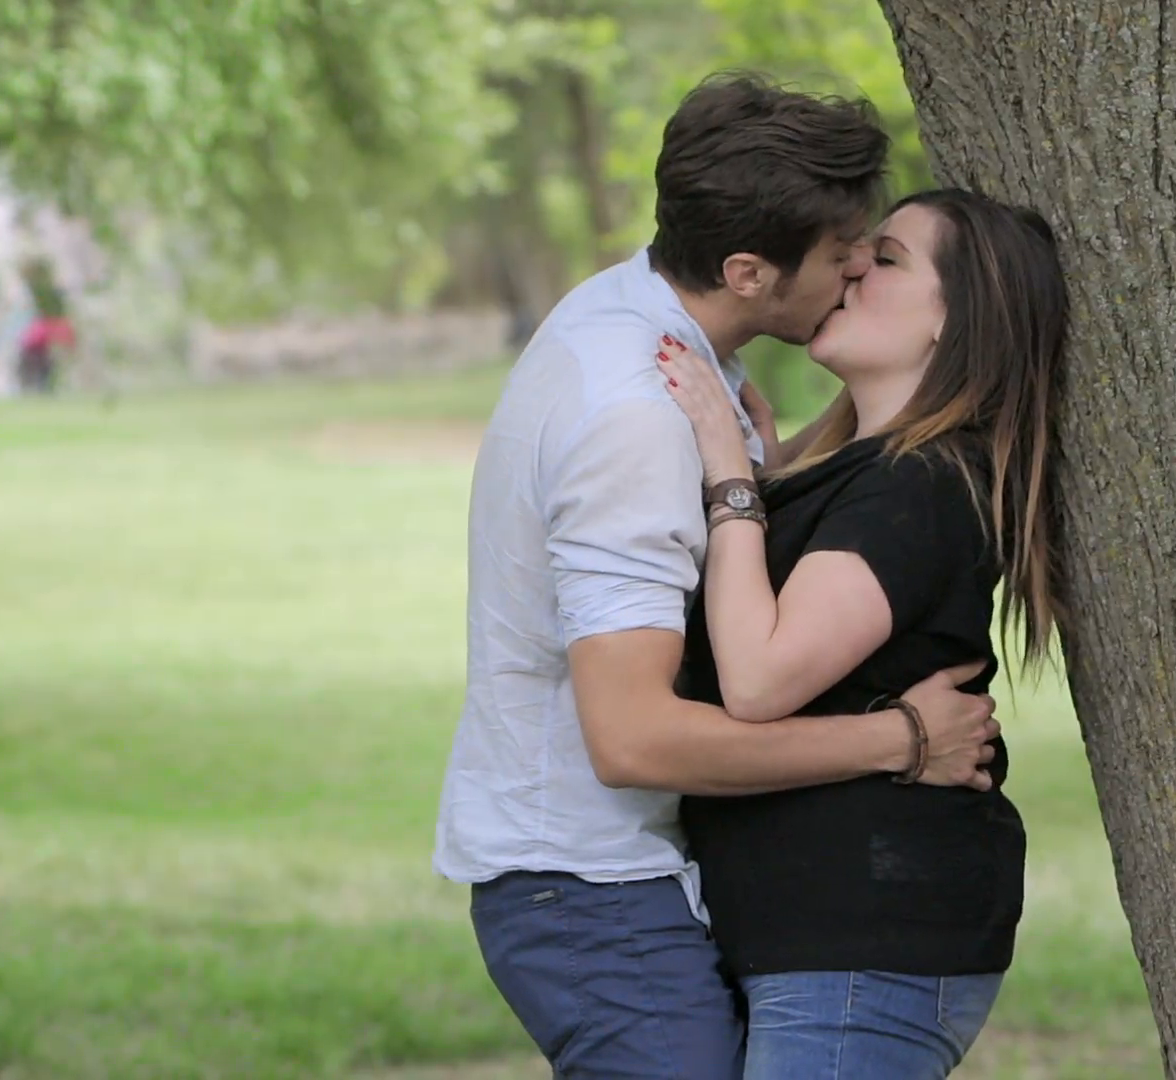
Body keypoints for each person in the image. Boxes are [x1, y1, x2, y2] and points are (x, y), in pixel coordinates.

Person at [433, 72, 1003, 1079]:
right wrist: (900, 737)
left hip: (642, 875)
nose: (859, 267)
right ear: (747, 270)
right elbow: (634, 735)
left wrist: (759, 475)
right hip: (587, 882)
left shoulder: (647, 334)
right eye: (842, 256)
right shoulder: (637, 410)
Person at [656, 187, 1068, 1078]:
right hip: (819, 937)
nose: (850, 271)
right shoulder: (866, 472)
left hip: (861, 945)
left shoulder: (921, 485)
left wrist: (731, 479)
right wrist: (762, 475)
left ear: (951, 323)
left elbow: (760, 681)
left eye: (885, 261)